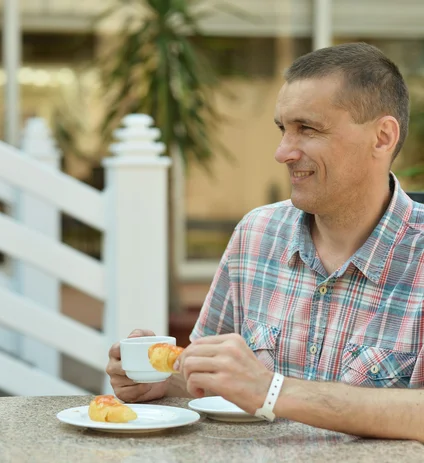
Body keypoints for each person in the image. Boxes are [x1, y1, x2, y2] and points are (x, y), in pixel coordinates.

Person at [106, 42, 424, 442]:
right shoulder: (256, 234)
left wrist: (272, 391)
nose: (282, 152)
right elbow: (212, 381)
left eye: (307, 129)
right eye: (283, 129)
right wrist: (164, 384)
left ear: (382, 137)